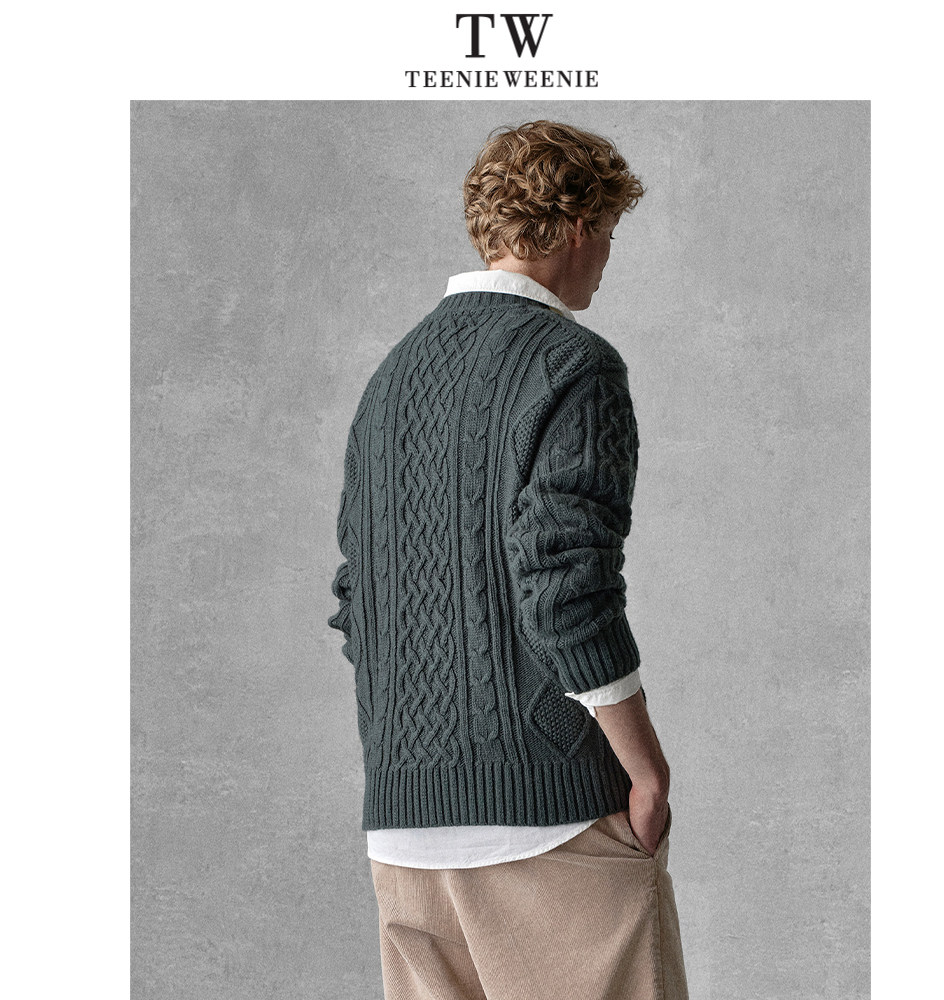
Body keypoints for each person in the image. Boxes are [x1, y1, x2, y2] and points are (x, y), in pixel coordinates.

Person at [329, 120, 689, 1000]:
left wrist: (418, 757)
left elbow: (358, 596)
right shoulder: (573, 365)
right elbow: (567, 583)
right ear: (579, 228)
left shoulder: (392, 380)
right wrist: (646, 769)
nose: (607, 258)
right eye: (610, 233)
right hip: (551, 821)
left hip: (404, 832)